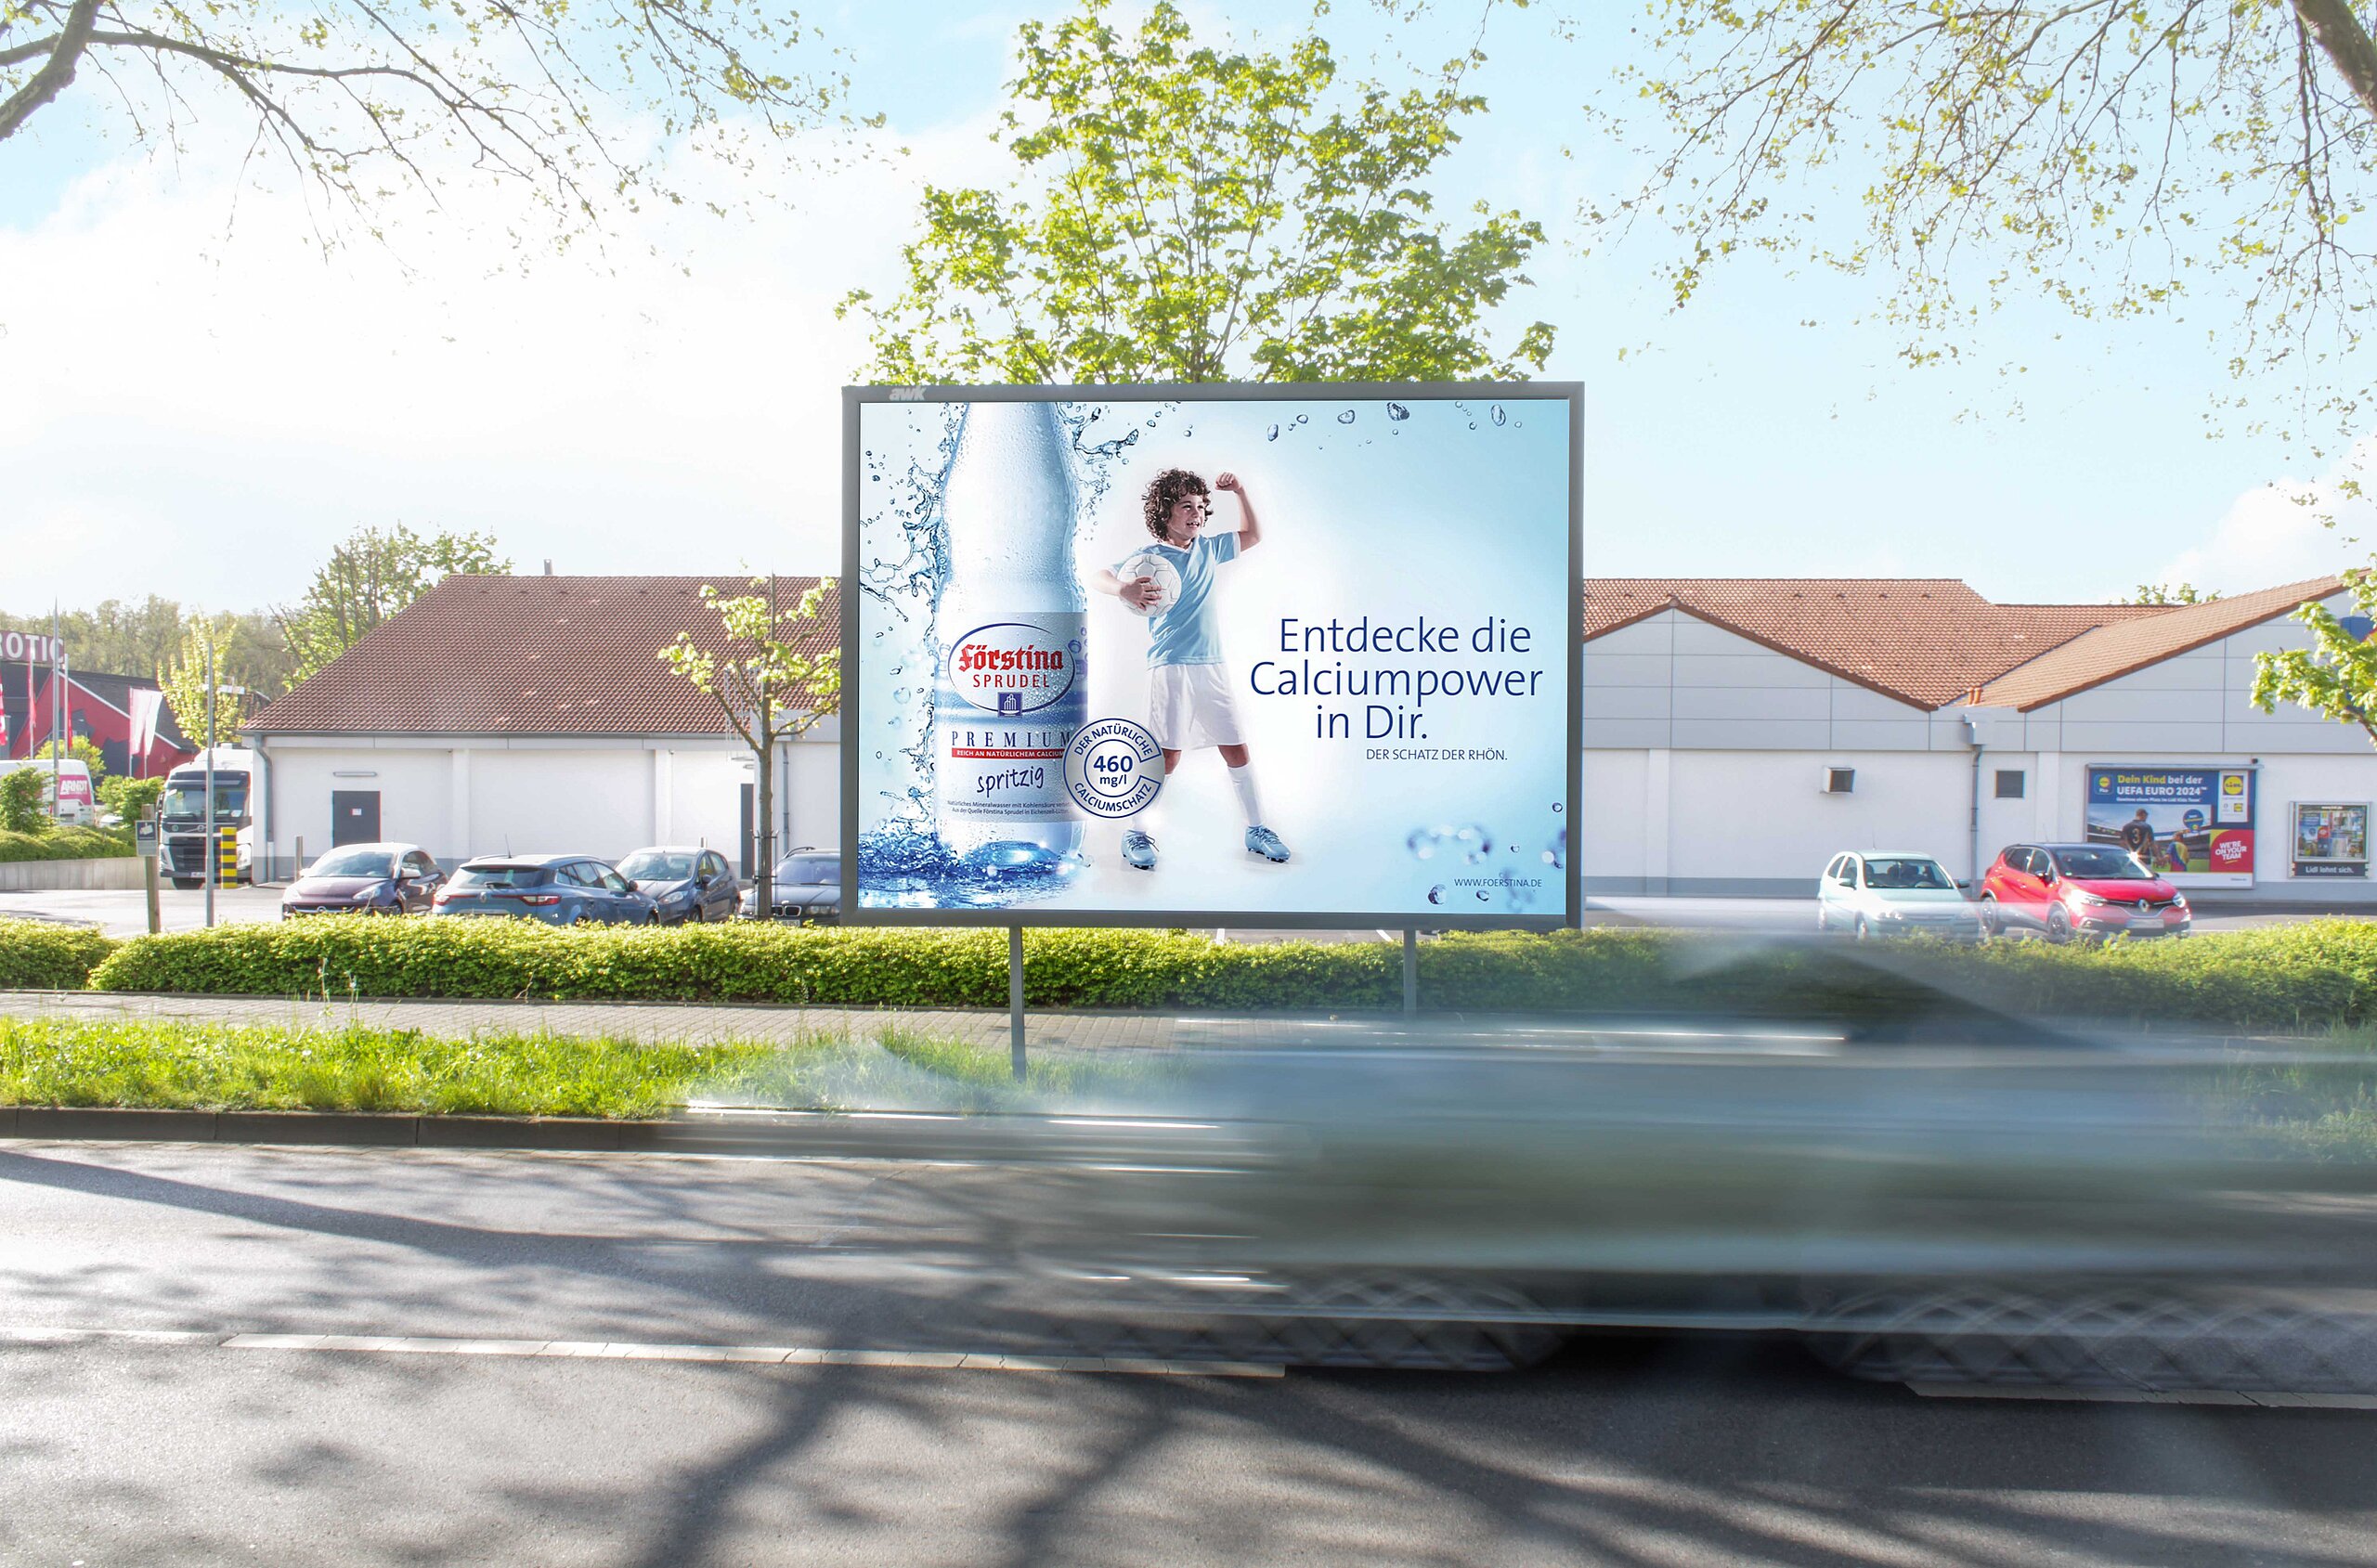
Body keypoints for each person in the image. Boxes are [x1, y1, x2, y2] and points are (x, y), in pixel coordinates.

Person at [1092, 467, 1289, 871]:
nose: (1196, 514)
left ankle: (1256, 828)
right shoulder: (1150, 558)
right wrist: (1123, 589)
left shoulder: (1209, 549)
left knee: (1236, 748)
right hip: (1171, 665)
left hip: (1212, 665)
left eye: (1200, 506)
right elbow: (1099, 576)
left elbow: (1253, 535)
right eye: (1186, 506)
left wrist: (1242, 491)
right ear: (1165, 513)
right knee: (1167, 757)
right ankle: (1136, 831)